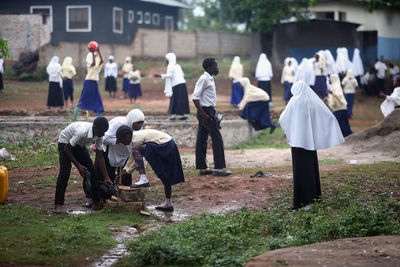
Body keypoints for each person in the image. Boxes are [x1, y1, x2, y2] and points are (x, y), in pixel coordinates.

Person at [279, 81, 344, 210]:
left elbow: (283, 118)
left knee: (300, 171)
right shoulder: (313, 101)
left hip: (298, 142)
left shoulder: (294, 101)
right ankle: (314, 198)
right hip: (310, 142)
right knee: (311, 169)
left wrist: (291, 130)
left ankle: (302, 201)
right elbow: (327, 116)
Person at [55, 117, 112, 213]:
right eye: (102, 131)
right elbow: (67, 150)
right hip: (65, 142)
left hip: (79, 144)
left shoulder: (100, 135)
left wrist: (107, 178)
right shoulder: (82, 132)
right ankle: (58, 204)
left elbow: (100, 157)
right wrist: (78, 166)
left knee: (92, 171)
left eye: (105, 132)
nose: (103, 134)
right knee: (65, 172)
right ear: (95, 128)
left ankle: (97, 202)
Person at [123, 129, 185, 212]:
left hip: (164, 145)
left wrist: (128, 171)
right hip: (169, 144)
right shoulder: (134, 138)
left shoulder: (136, 139)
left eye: (120, 139)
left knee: (137, 150)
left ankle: (143, 178)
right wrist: (125, 169)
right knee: (165, 173)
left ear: (127, 137)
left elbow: (137, 157)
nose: (120, 142)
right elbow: (133, 156)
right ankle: (168, 203)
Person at [192, 58, 232, 177]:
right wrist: (204, 114)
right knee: (217, 140)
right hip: (206, 112)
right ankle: (219, 169)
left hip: (208, 111)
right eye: (216, 66)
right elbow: (195, 97)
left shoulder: (209, 78)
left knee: (202, 139)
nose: (218, 68)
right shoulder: (204, 79)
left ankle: (202, 168)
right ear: (209, 67)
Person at [95, 109, 145, 186]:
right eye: (137, 123)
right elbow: (104, 138)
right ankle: (104, 192)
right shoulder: (117, 124)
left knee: (125, 175)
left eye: (141, 123)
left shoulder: (139, 130)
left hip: (125, 153)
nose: (139, 125)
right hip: (111, 150)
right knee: (107, 174)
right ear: (131, 121)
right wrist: (120, 140)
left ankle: (125, 193)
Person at [155, 52, 190, 120]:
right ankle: (184, 115)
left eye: (166, 59)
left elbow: (170, 75)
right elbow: (183, 74)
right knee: (182, 100)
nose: (165, 60)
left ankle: (173, 116)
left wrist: (161, 75)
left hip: (176, 85)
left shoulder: (170, 66)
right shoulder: (178, 66)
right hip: (182, 83)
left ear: (170, 59)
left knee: (174, 99)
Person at [74, 47, 104, 118]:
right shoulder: (89, 61)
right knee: (84, 97)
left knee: (97, 98)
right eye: (94, 55)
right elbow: (93, 63)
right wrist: (93, 52)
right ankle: (75, 113)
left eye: (96, 55)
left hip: (94, 82)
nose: (96, 56)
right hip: (88, 81)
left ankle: (98, 116)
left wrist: (99, 51)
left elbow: (101, 61)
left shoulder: (97, 62)